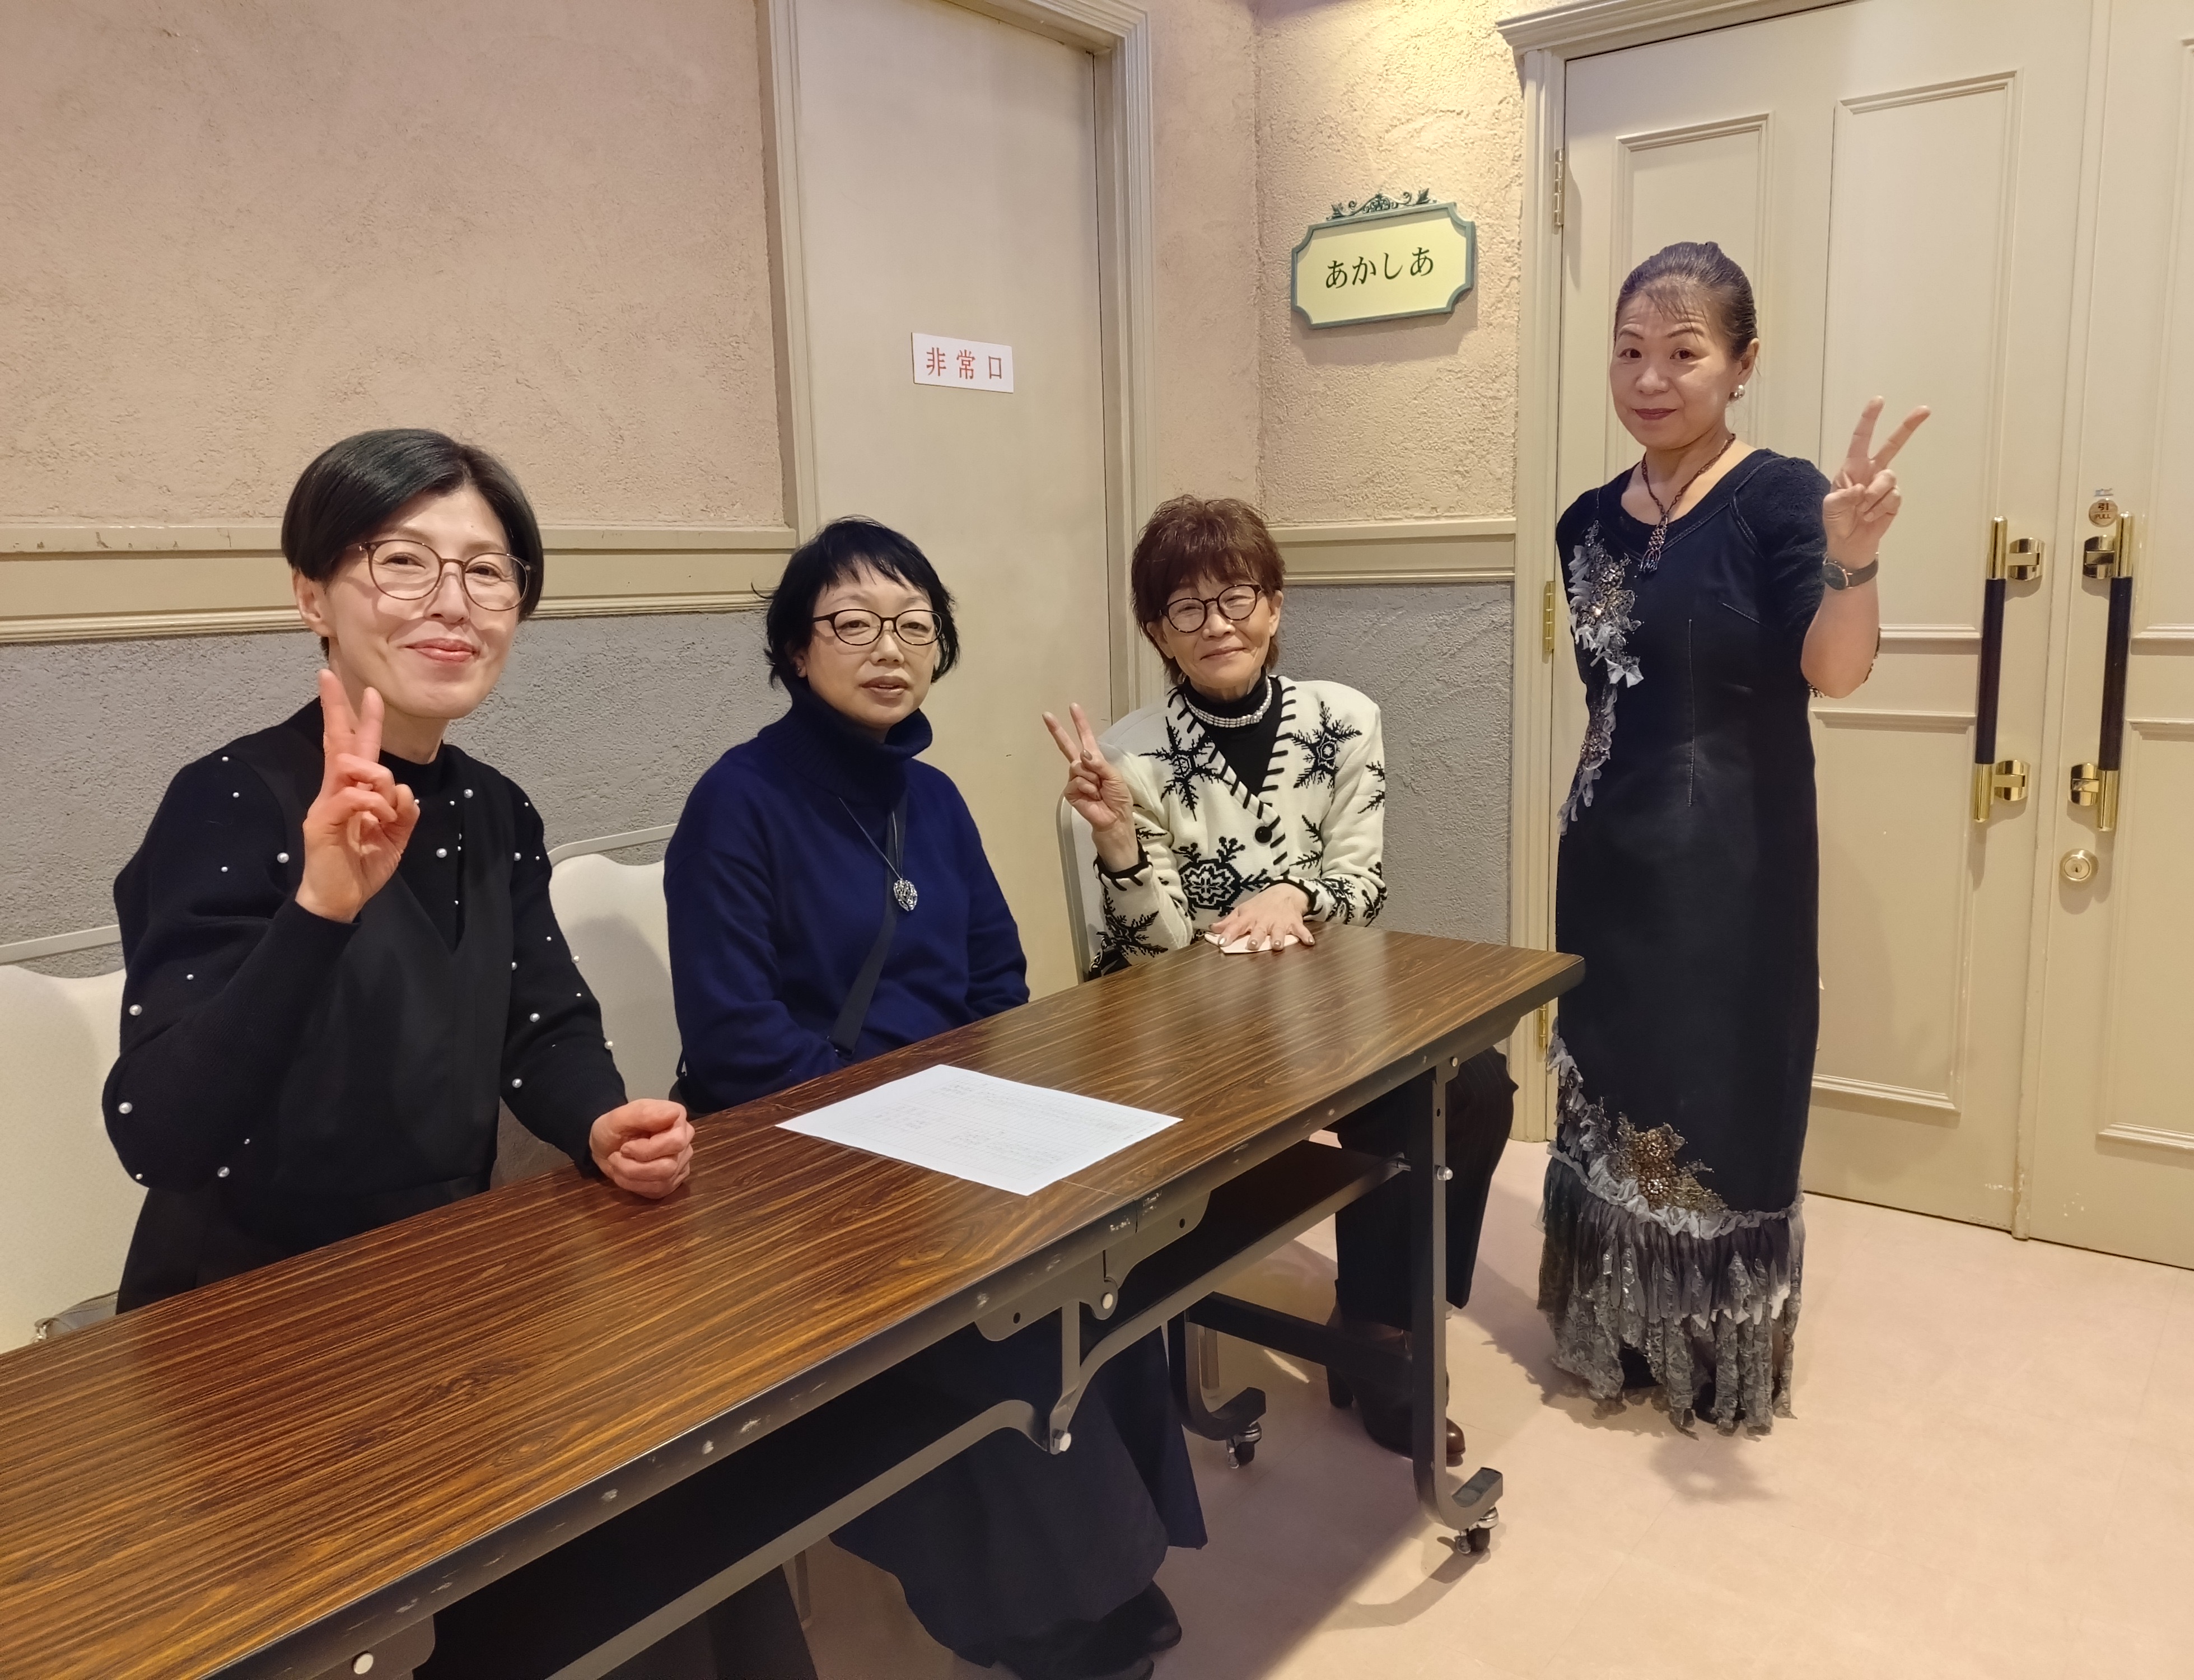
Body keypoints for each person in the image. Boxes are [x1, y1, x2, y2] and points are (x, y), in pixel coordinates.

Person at [102, 428, 810, 1680]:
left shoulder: (493, 806)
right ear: (312, 594)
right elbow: (159, 1129)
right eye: (403, 561)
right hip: (250, 1327)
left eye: (487, 572)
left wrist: (600, 1121)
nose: (453, 602)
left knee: (688, 1500)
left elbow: (544, 1021)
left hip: (441, 1286)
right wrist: (321, 905)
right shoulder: (231, 799)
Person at [665, 517, 1203, 1680]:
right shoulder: (736, 802)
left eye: (914, 626)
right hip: (791, 1165)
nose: (888, 648)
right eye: (853, 623)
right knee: (1002, 1338)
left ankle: (1108, 1565)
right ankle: (1043, 1616)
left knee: (1098, 1274)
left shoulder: (936, 800)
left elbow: (998, 985)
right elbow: (735, 1040)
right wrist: (904, 1130)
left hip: (942, 1141)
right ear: (794, 647)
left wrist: (977, 1120)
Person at [1539, 241, 1926, 1432]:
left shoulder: (1778, 496)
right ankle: (1613, 1336)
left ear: (1741, 364)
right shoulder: (1582, 522)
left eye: (1683, 353)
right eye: (1629, 352)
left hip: (1732, 873)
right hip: (1606, 860)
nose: (1651, 378)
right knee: (1609, 1094)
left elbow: (1835, 671)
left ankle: (1711, 1361)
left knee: (1721, 1099)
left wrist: (1852, 559)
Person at [1043, 494, 1515, 1467]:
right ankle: (1350, 1332)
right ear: (1157, 631)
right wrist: (1121, 843)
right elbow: (1149, 962)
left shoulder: (1345, 720)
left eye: (1237, 598)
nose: (1216, 624)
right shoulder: (1127, 758)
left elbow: (1361, 885)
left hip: (1326, 1010)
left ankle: (1381, 1325)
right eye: (1186, 607)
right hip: (1192, 1038)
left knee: (1470, 1090)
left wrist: (1293, 893)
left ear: (1275, 606)